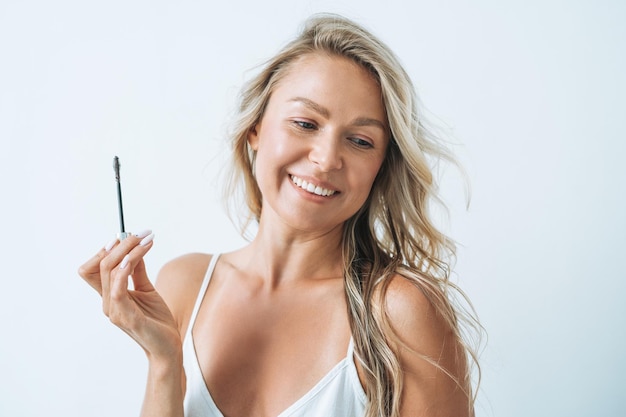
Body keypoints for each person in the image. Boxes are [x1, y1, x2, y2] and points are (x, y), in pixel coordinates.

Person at [79, 13, 480, 417]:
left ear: (381, 166)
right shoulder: (184, 286)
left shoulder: (399, 312)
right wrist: (163, 361)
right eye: (306, 123)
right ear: (255, 128)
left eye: (360, 140)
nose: (325, 160)